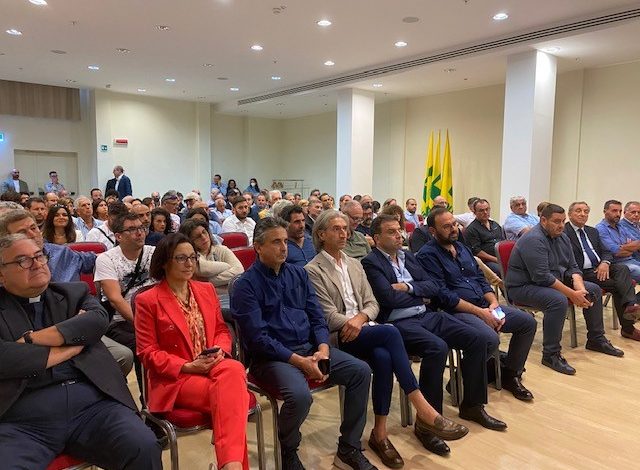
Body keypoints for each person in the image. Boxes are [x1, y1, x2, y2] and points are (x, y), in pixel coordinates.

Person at [306, 210, 468, 465]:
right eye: (336, 229)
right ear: (321, 234)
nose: (344, 233)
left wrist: (361, 319)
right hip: (340, 335)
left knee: (383, 358)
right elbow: (326, 315)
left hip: (365, 328)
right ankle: (422, 407)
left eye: (345, 228)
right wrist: (355, 322)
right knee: (390, 331)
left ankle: (379, 433)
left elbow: (372, 303)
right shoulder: (312, 270)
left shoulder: (354, 264)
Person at [0, 234, 161, 469]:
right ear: (1, 274)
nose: (37, 264)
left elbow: (96, 321)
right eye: (23, 260)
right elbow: (4, 358)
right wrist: (71, 347)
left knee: (143, 445)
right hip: (23, 419)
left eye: (39, 256)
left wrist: (29, 339)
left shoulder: (73, 293)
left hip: (92, 406)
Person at [231, 217, 377, 470]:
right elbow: (257, 339)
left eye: (285, 241)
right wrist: (299, 361)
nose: (283, 248)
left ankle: (349, 447)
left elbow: (317, 317)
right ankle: (288, 450)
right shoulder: (245, 285)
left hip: (310, 350)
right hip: (273, 358)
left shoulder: (298, 274)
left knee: (360, 371)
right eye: (276, 242)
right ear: (258, 247)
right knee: (300, 397)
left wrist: (322, 349)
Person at [362, 215, 506, 445]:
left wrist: (407, 288)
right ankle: (428, 421)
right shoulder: (371, 262)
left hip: (426, 314)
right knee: (437, 348)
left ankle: (472, 405)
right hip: (399, 323)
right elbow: (388, 298)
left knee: (478, 338)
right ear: (377, 238)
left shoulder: (407, 256)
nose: (399, 235)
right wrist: (420, 293)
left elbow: (433, 287)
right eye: (391, 232)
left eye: (399, 230)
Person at [135, 233, 250, 470]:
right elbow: (148, 352)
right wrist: (188, 366)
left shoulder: (206, 290)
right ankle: (233, 465)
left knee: (233, 369)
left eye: (193, 257)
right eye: (181, 258)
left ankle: (231, 466)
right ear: (164, 262)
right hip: (177, 378)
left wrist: (219, 352)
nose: (189, 263)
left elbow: (221, 330)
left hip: (213, 366)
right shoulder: (148, 300)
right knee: (235, 398)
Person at [417, 207, 537, 401]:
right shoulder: (427, 255)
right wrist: (481, 313)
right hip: (455, 312)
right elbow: (443, 296)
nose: (453, 229)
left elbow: (480, 279)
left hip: (483, 304)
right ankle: (459, 380)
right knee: (489, 338)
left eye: (454, 224)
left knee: (527, 322)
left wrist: (493, 302)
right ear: (432, 231)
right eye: (446, 226)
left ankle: (511, 374)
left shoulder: (462, 248)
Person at [506, 204, 623, 375]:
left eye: (563, 221)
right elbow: (542, 277)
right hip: (524, 286)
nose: (561, 225)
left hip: (552, 281)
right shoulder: (533, 239)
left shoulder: (562, 237)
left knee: (594, 289)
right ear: (543, 220)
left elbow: (573, 266)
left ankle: (596, 339)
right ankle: (550, 354)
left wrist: (580, 289)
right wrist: (572, 294)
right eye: (556, 221)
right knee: (557, 300)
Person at [94, 213, 156, 395]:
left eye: (142, 228)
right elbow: (115, 299)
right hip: (121, 320)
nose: (140, 233)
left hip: (155, 315)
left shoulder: (154, 253)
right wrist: (142, 324)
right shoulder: (106, 259)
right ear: (118, 236)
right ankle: (147, 401)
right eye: (132, 229)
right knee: (142, 344)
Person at [564, 201, 640, 340]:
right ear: (569, 214)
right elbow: (565, 259)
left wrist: (605, 262)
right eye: (578, 211)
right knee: (619, 285)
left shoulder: (592, 231)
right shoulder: (563, 232)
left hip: (598, 268)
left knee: (622, 269)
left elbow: (606, 251)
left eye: (586, 211)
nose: (583, 214)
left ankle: (631, 305)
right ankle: (627, 328)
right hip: (580, 273)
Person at [180, 219, 244, 287]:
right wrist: (227, 266)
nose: (203, 237)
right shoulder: (190, 257)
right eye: (198, 236)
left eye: (204, 232)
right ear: (190, 241)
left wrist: (207, 282)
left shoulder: (222, 249)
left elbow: (239, 271)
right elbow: (202, 269)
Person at [596, 200, 640, 282]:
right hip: (617, 263)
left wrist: (624, 248)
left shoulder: (620, 226)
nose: (618, 214)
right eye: (614, 211)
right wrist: (628, 248)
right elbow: (616, 252)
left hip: (631, 260)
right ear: (605, 212)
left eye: (620, 211)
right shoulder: (601, 229)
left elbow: (637, 243)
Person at [464, 199, 505, 276]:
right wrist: (497, 260)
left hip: (501, 258)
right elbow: (477, 252)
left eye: (487, 209)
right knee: (502, 271)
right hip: (486, 261)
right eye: (481, 210)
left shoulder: (495, 224)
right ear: (475, 212)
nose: (485, 212)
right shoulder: (472, 229)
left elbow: (503, 242)